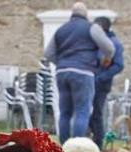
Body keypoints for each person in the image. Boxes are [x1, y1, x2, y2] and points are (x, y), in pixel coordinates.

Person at [44, 2, 115, 144]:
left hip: (62, 72)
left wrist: (62, 63)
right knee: (82, 111)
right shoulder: (91, 27)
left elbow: (48, 53)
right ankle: (76, 147)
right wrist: (106, 60)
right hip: (83, 72)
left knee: (65, 112)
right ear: (86, 14)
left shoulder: (61, 29)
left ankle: (63, 148)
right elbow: (109, 48)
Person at [89, 17, 124, 150]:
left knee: (96, 113)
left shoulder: (114, 43)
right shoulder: (94, 43)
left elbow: (119, 65)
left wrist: (101, 78)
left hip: (101, 84)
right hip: (89, 81)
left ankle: (98, 143)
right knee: (87, 112)